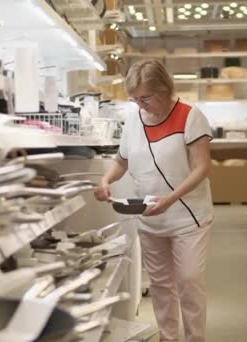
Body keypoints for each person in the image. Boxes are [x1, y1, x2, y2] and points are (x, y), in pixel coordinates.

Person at [94, 59, 214, 342]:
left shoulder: (190, 116)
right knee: (161, 285)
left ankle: (195, 338)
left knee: (189, 281)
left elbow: (202, 168)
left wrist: (171, 199)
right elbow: (121, 160)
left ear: (164, 89)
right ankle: (168, 338)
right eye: (134, 99)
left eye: (145, 97)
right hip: (150, 215)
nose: (140, 105)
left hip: (188, 216)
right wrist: (106, 180)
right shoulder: (134, 119)